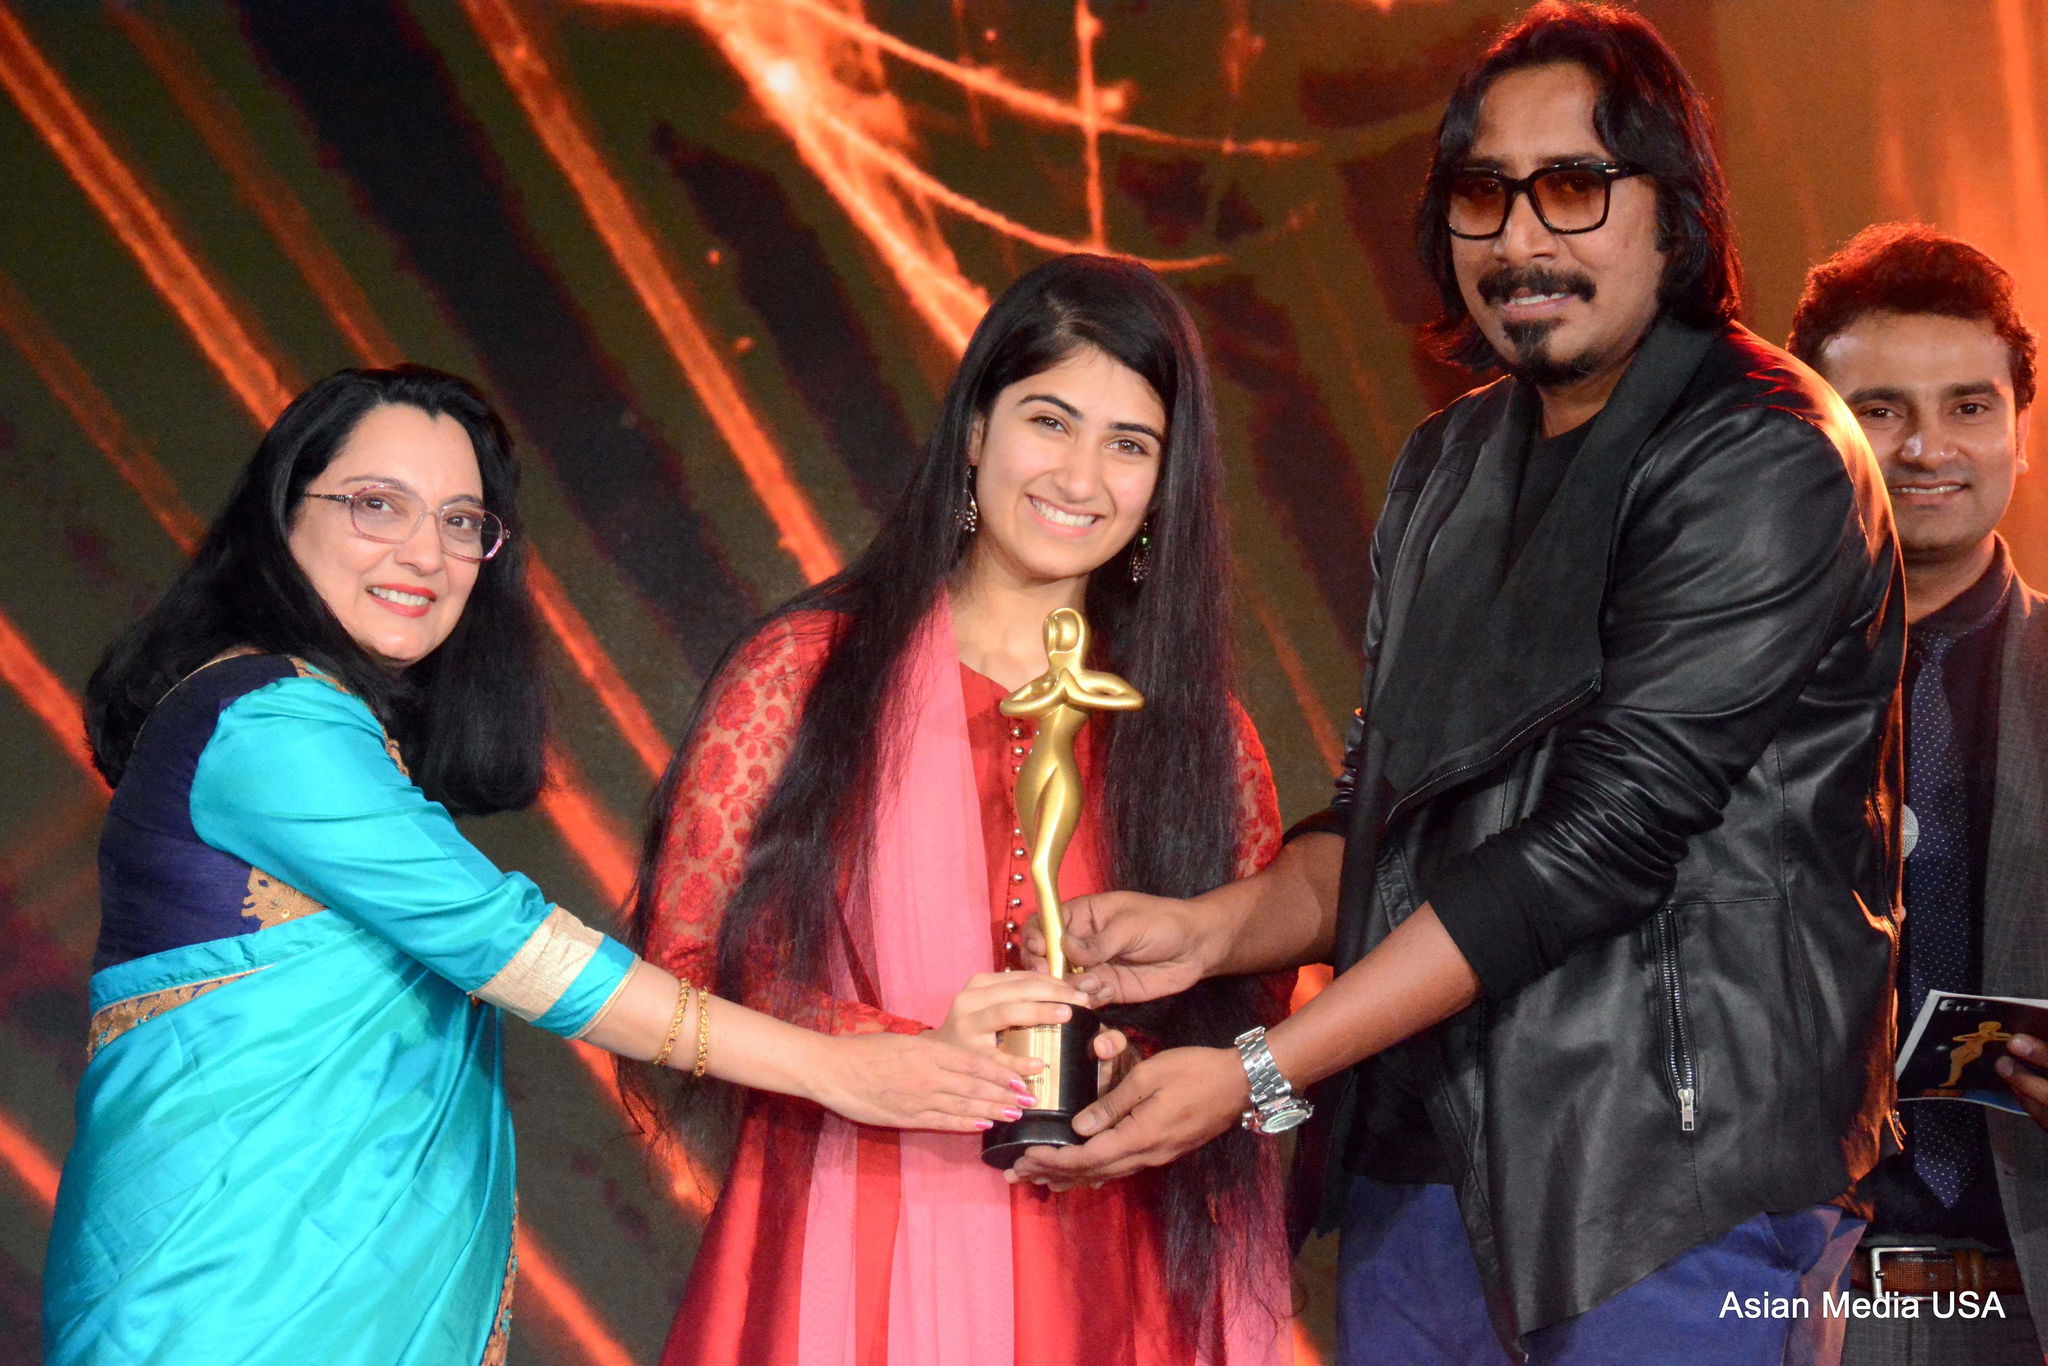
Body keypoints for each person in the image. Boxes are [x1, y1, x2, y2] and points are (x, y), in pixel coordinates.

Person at [1017, 6, 1906, 1364]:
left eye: (1572, 186)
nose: (1520, 239)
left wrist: (1261, 1071)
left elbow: (1605, 839)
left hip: (1666, 1190)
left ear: (1675, 210)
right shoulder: (1447, 466)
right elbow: (1386, 818)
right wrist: (1212, 930)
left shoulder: (1767, 453)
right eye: (1483, 194)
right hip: (1420, 1182)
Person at [43, 365, 1034, 1366]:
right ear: (281, 513)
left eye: (461, 522)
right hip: (228, 1300)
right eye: (377, 504)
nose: (423, 553)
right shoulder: (269, 724)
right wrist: (837, 1069)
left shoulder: (330, 726)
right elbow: (513, 949)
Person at [625, 254, 1292, 1366]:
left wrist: (1132, 1071)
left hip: (1103, 1271)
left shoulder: (1202, 739)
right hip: (847, 1247)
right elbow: (681, 967)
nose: (1081, 476)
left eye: (1130, 444)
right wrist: (897, 1054)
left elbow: (1259, 1035)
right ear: (976, 430)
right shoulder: (805, 677)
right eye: (1050, 421)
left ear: (1166, 484)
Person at [1789, 223, 2048, 1364]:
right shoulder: (1706, 696)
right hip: (1762, 1307)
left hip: (2016, 1305)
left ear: (2020, 432)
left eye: (1969, 407)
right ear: (1810, 434)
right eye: (1880, 410)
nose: (1926, 447)